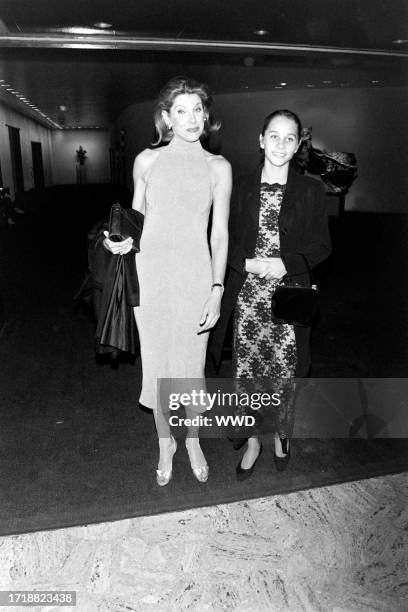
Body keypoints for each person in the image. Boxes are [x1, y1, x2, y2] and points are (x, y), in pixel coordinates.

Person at [104, 77, 231, 486]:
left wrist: (217, 288)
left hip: (196, 277)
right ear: (166, 118)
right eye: (182, 111)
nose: (192, 118)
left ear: (206, 115)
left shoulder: (218, 167)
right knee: (157, 368)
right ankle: (165, 443)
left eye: (198, 110)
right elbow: (134, 222)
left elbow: (220, 233)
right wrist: (120, 243)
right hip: (152, 276)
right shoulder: (146, 161)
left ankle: (192, 439)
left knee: (191, 369)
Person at [210, 109, 331, 478]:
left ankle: (281, 434)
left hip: (288, 296)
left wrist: (286, 263)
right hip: (248, 297)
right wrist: (246, 265)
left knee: (285, 373)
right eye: (273, 136)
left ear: (298, 146)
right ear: (261, 140)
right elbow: (220, 238)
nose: (280, 144)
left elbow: (322, 245)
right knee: (247, 373)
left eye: (289, 138)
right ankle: (251, 440)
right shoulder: (241, 186)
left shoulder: (311, 189)